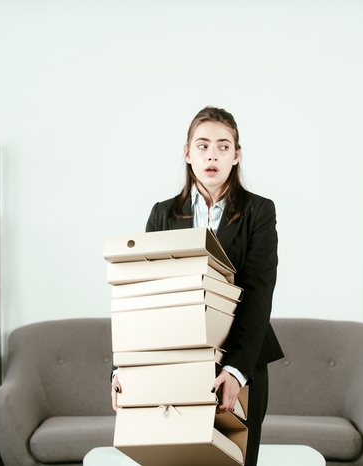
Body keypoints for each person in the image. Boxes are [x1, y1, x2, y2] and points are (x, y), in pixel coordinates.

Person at [111, 106, 284, 466]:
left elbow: (258, 293)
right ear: (187, 153)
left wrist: (236, 370)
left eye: (223, 147)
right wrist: (123, 369)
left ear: (236, 156)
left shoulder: (259, 212)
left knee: (236, 460)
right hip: (179, 360)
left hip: (241, 361)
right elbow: (145, 296)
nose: (212, 155)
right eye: (202, 145)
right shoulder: (163, 213)